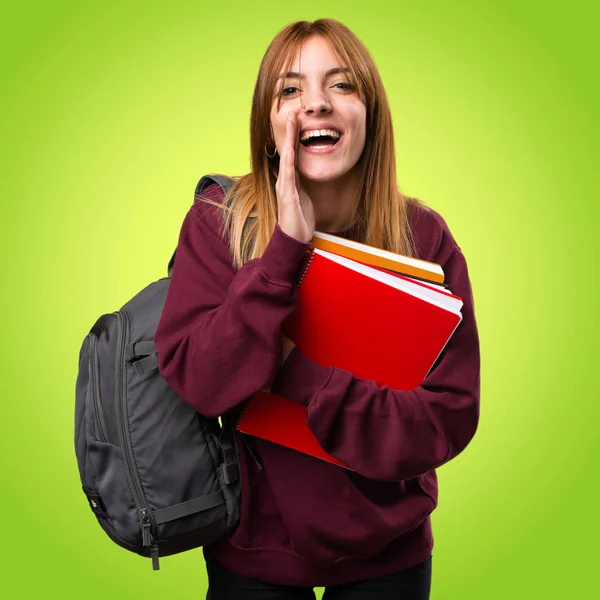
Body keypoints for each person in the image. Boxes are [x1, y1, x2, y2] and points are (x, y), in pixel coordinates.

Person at [155, 18, 480, 600]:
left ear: (370, 114)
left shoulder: (424, 237)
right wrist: (285, 249)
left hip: (389, 552)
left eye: (342, 86)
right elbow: (203, 384)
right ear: (268, 120)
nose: (316, 105)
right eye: (290, 89)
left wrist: (295, 374)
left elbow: (449, 417)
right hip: (252, 551)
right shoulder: (216, 223)